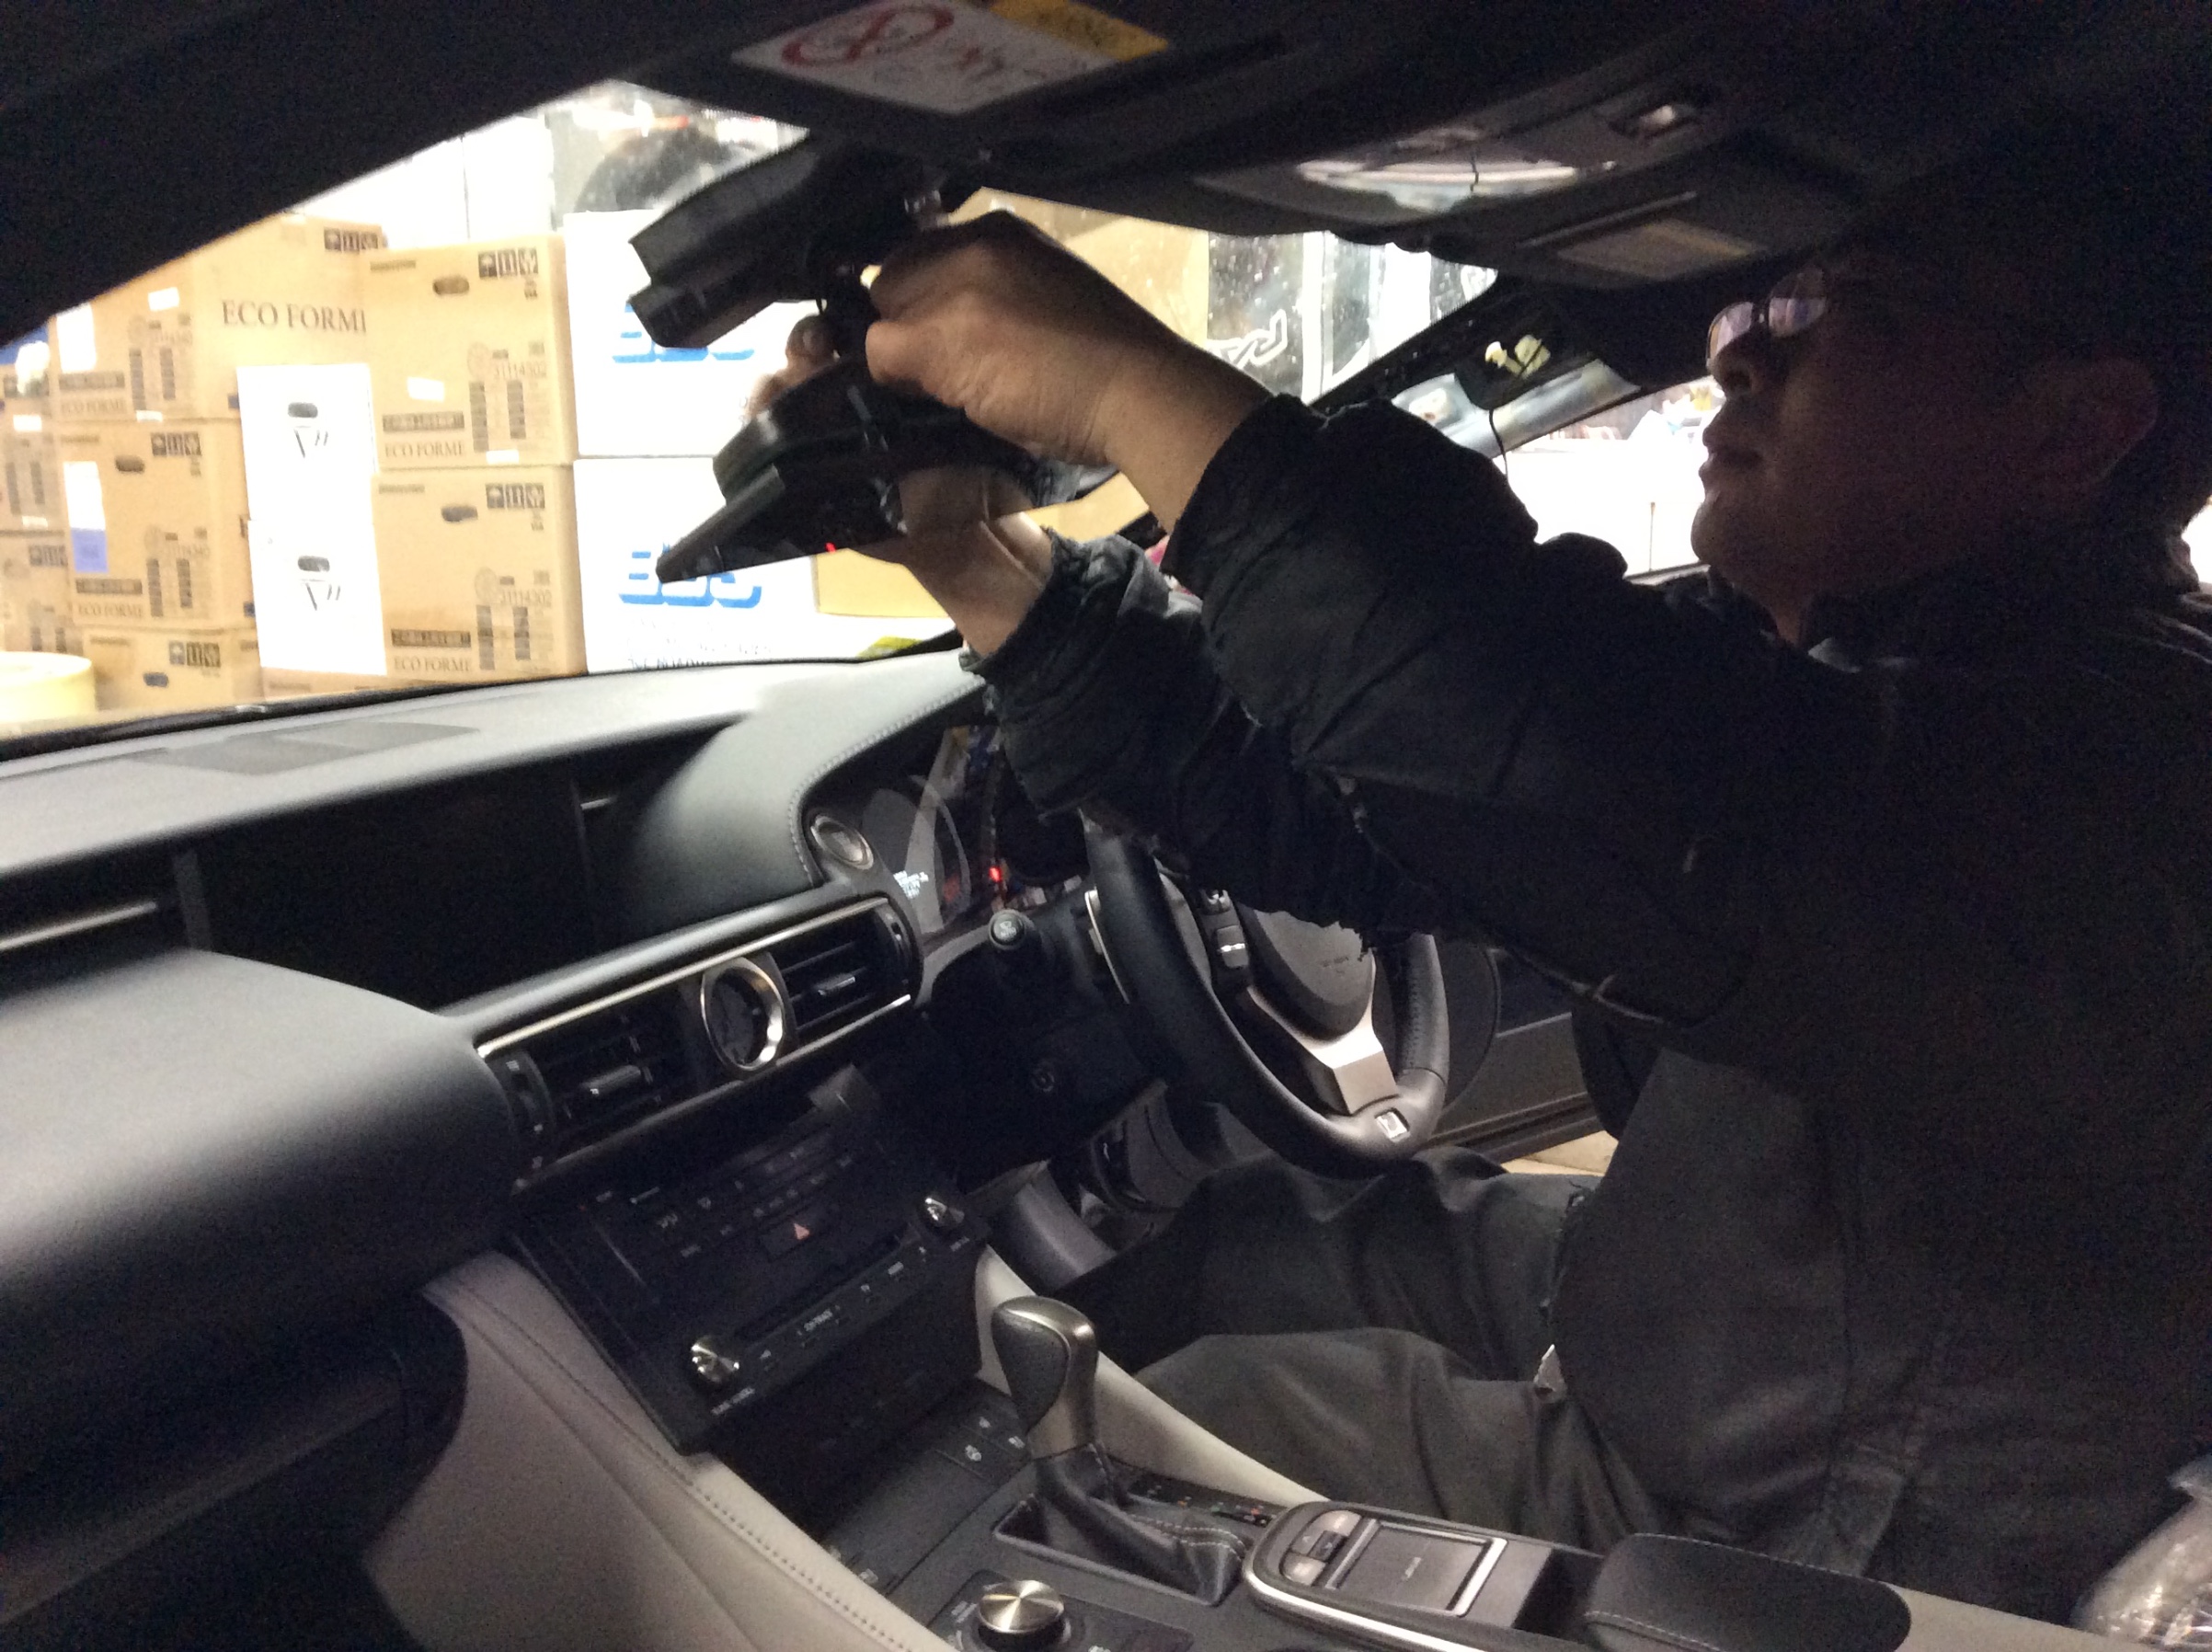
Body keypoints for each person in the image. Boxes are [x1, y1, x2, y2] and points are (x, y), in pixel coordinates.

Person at [755, 125, 2212, 1623]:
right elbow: (1379, 806)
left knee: (1120, 1457)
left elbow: (1540, 740)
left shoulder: (2128, 781)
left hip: (1795, 1530)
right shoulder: (1896, 678)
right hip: (1735, 1325)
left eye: (1858, 319)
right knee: (1240, 1237)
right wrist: (986, 571)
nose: (1742, 360)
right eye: (1767, 310)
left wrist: (1123, 383)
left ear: (2074, 431)